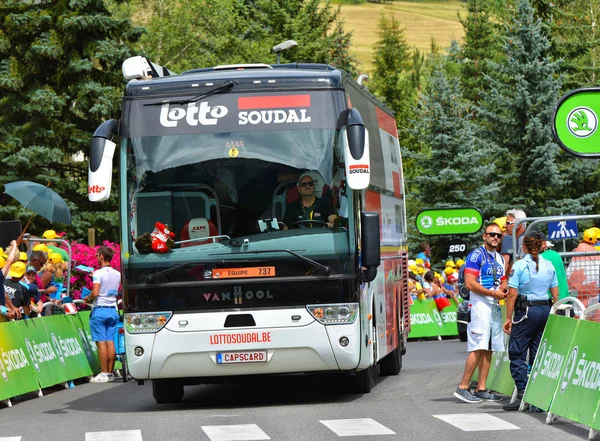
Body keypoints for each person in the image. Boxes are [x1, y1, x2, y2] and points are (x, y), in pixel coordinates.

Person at [502, 231, 559, 411]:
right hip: (544, 309)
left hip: (527, 310)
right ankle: (537, 395)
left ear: (523, 246)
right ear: (542, 245)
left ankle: (523, 394)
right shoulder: (549, 265)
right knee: (537, 353)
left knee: (517, 352)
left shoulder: (519, 265)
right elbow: (555, 293)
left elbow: (512, 294)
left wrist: (508, 317)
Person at [454, 223, 507, 403]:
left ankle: (481, 388)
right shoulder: (477, 254)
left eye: (499, 236)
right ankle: (463, 387)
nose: (495, 238)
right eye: (492, 234)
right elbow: (470, 283)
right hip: (479, 305)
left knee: (489, 348)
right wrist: (493, 293)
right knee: (477, 346)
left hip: (494, 305)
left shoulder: (499, 257)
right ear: (484, 236)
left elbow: (503, 280)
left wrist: (505, 290)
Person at [83, 246, 121, 383]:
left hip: (99, 309)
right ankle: (110, 373)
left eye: (97, 255)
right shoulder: (117, 274)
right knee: (110, 341)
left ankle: (104, 373)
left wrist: (87, 299)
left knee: (101, 342)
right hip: (112, 309)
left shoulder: (98, 273)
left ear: (101, 256)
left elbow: (95, 293)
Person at [566, 228, 600, 306]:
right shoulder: (596, 253)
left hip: (579, 293)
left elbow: (569, 274)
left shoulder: (576, 252)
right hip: (594, 291)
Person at [501, 209, 527, 277]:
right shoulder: (521, 238)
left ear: (518, 225)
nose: (504, 226)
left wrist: (504, 280)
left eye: (508, 223)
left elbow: (519, 263)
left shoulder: (524, 240)